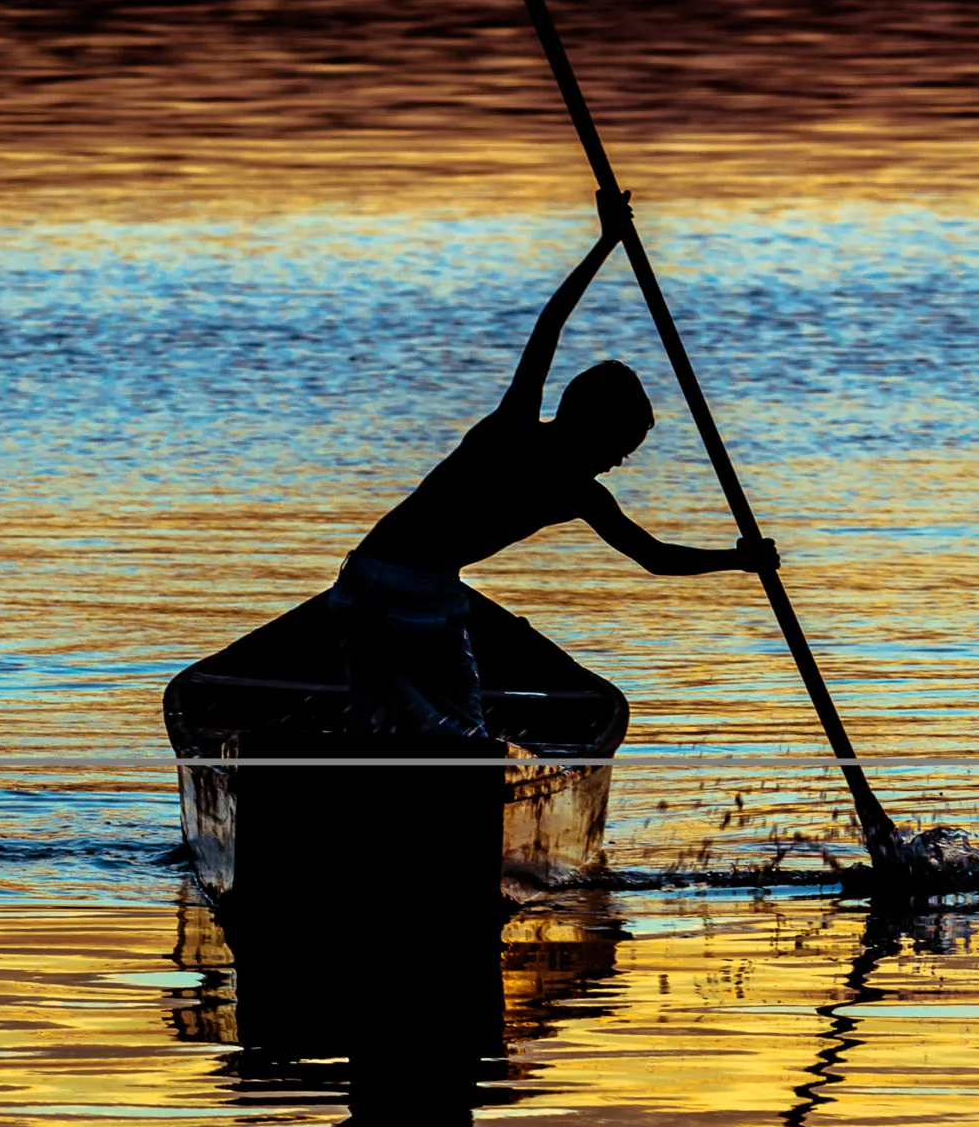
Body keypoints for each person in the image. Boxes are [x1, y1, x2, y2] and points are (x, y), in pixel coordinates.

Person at [331, 190, 778, 738]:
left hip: (362, 580)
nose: (618, 462)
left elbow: (656, 558)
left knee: (382, 722)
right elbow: (551, 326)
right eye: (620, 446)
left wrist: (738, 560)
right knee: (458, 732)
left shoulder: (559, 471)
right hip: (412, 596)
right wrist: (604, 243)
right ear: (591, 425)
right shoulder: (524, 437)